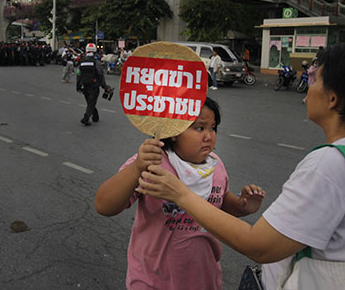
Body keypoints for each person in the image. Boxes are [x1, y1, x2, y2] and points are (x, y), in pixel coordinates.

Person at [136, 39, 345, 289]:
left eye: (316, 78)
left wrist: (180, 194)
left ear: (333, 99)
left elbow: (259, 245)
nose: (308, 84)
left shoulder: (331, 163)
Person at [95, 97, 265, 290]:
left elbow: (220, 202)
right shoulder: (153, 163)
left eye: (213, 128)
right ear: (174, 131)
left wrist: (242, 206)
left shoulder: (215, 165)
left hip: (204, 280)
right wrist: (137, 168)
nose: (209, 136)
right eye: (200, 128)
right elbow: (104, 205)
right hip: (152, 282)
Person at [76, 43, 110, 126]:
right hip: (94, 86)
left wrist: (78, 86)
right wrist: (105, 87)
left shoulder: (82, 62)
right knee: (91, 103)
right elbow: (100, 75)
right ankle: (86, 118)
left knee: (90, 102)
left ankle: (95, 116)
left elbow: (78, 74)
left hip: (85, 85)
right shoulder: (96, 62)